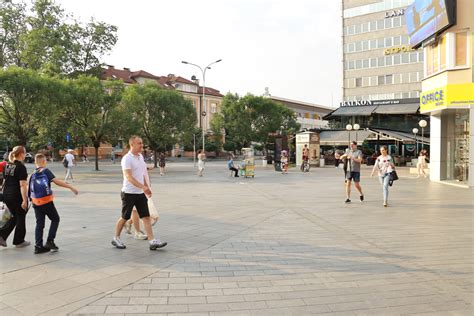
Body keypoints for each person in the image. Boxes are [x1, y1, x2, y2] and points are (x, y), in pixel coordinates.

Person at [111, 136, 167, 250]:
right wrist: (143, 186)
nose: (142, 145)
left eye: (142, 143)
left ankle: (152, 241)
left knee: (146, 217)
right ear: (132, 144)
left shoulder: (140, 157)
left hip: (140, 193)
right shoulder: (126, 159)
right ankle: (116, 238)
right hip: (128, 193)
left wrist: (146, 187)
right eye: (139, 143)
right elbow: (128, 176)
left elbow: (142, 173)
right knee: (125, 217)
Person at [29, 154, 78, 254]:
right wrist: (70, 187)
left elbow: (29, 189)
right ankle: (50, 241)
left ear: (35, 162)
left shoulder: (33, 173)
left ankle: (38, 246)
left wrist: (27, 201)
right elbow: (57, 182)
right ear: (44, 162)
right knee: (55, 219)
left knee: (39, 224)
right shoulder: (46, 171)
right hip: (46, 201)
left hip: (36, 202)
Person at [0, 146, 29, 248]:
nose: (25, 155)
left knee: (14, 217)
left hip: (6, 195)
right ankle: (19, 241)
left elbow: (4, 181)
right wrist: (25, 200)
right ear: (21, 154)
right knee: (20, 217)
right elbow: (22, 185)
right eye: (25, 153)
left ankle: (2, 235)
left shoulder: (7, 165)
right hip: (16, 196)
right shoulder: (21, 167)